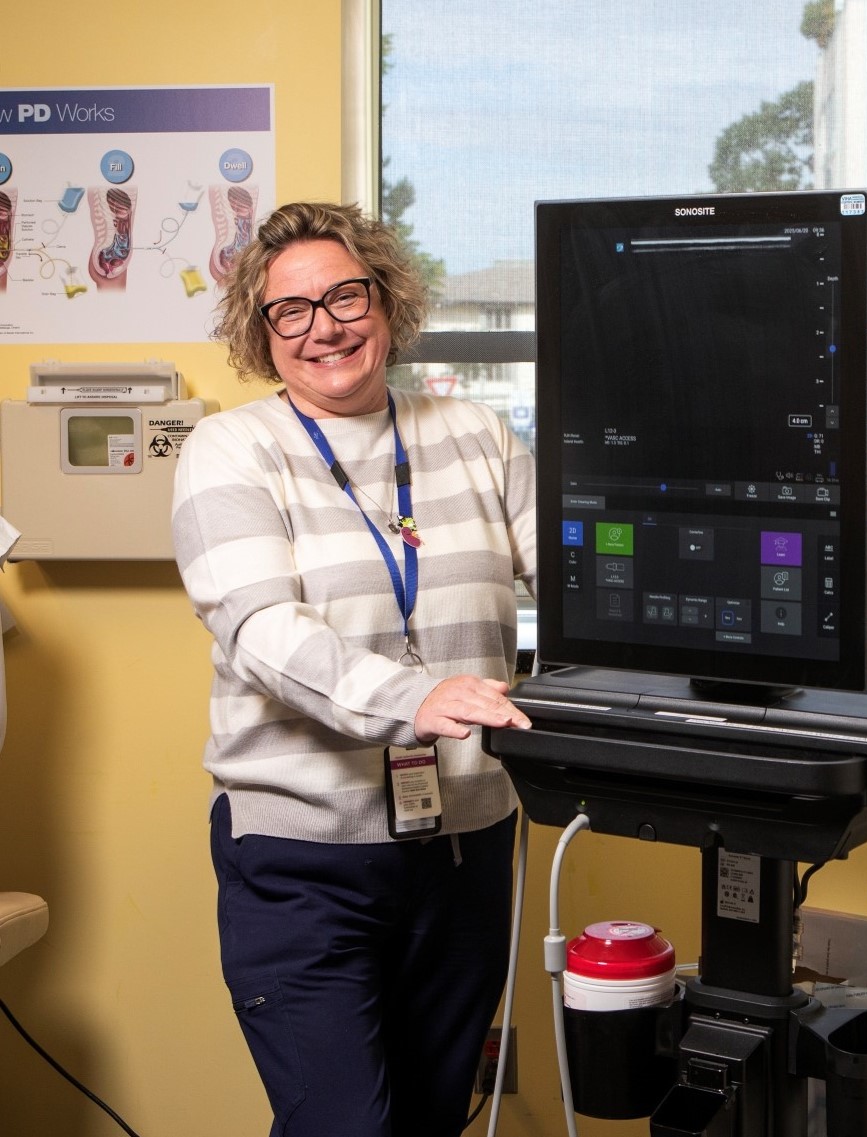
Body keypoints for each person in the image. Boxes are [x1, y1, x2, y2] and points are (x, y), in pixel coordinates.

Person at [171, 200, 536, 1137]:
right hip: (303, 861)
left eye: (344, 295)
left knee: (428, 1118)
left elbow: (579, 579)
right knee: (342, 1125)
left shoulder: (474, 434)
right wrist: (418, 696)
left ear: (388, 300)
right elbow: (260, 627)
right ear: (262, 333)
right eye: (290, 310)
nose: (323, 325)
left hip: (463, 844)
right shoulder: (234, 449)